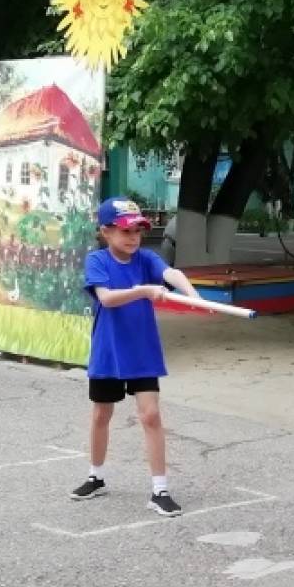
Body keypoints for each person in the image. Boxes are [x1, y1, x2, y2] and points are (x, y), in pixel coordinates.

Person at [69, 197, 202, 516]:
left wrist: (192, 295)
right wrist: (144, 291)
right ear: (105, 231)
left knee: (151, 416)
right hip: (109, 351)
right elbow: (108, 298)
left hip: (142, 350)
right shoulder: (97, 261)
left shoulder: (146, 259)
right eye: (125, 231)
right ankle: (96, 476)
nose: (132, 238)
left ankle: (160, 489)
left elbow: (171, 273)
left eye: (138, 232)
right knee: (102, 414)